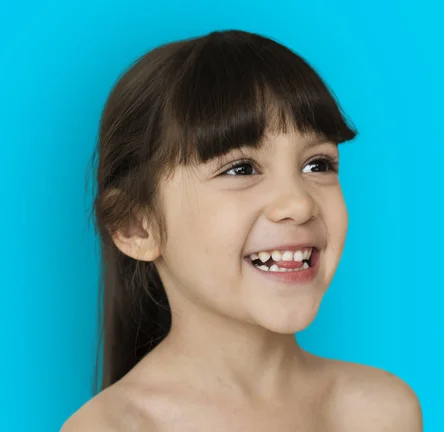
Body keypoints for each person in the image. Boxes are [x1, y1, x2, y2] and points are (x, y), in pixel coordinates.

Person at [61, 29, 422, 431]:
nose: (299, 204)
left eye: (317, 164)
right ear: (136, 226)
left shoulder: (382, 411)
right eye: (241, 169)